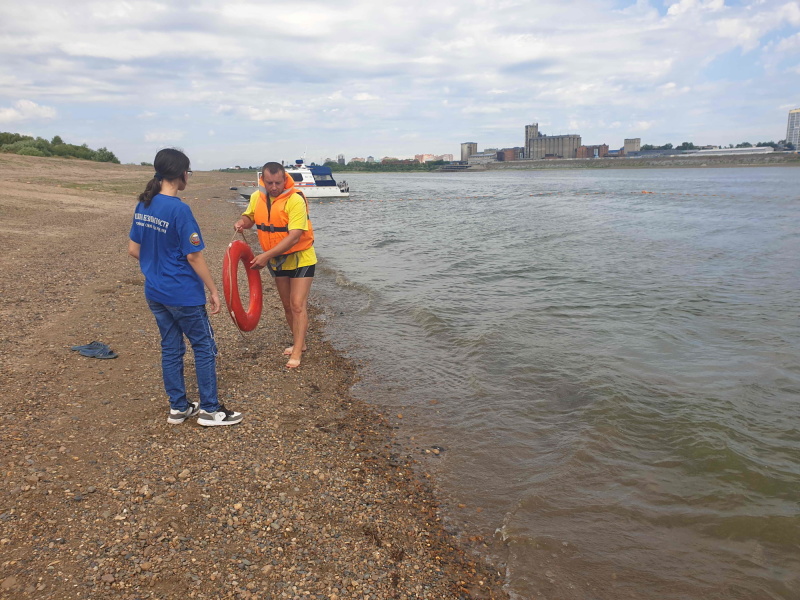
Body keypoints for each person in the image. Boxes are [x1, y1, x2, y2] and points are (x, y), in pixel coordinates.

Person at [128, 148, 243, 426]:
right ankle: (210, 410)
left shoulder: (144, 204)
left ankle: (178, 407)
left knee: (171, 347)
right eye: (187, 172)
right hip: (182, 293)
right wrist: (214, 290)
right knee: (203, 346)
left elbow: (134, 250)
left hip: (155, 291)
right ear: (181, 174)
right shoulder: (179, 209)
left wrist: (158, 262)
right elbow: (193, 255)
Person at [233, 162, 316, 369]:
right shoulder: (256, 197)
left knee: (297, 304)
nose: (273, 187)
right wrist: (242, 222)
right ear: (263, 180)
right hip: (278, 260)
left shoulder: (295, 199)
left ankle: (297, 351)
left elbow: (295, 236)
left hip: (301, 258)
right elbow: (250, 217)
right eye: (269, 183)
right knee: (287, 305)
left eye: (277, 182)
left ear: (284, 178)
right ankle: (301, 342)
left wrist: (265, 256)